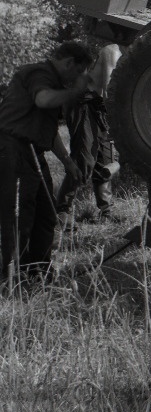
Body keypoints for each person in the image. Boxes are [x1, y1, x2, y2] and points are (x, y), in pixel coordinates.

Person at [0, 41, 93, 284]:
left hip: (32, 153)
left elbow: (49, 131)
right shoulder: (38, 73)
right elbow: (43, 100)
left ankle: (38, 271)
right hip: (12, 150)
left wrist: (67, 162)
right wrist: (75, 92)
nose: (76, 79)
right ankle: (11, 277)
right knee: (19, 215)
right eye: (78, 72)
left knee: (46, 213)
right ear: (69, 62)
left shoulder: (54, 82)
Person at [56, 43, 122, 227]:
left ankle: (106, 211)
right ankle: (62, 210)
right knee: (84, 159)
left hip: (101, 107)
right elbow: (109, 89)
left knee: (105, 159)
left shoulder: (133, 55)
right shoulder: (112, 50)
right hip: (84, 103)